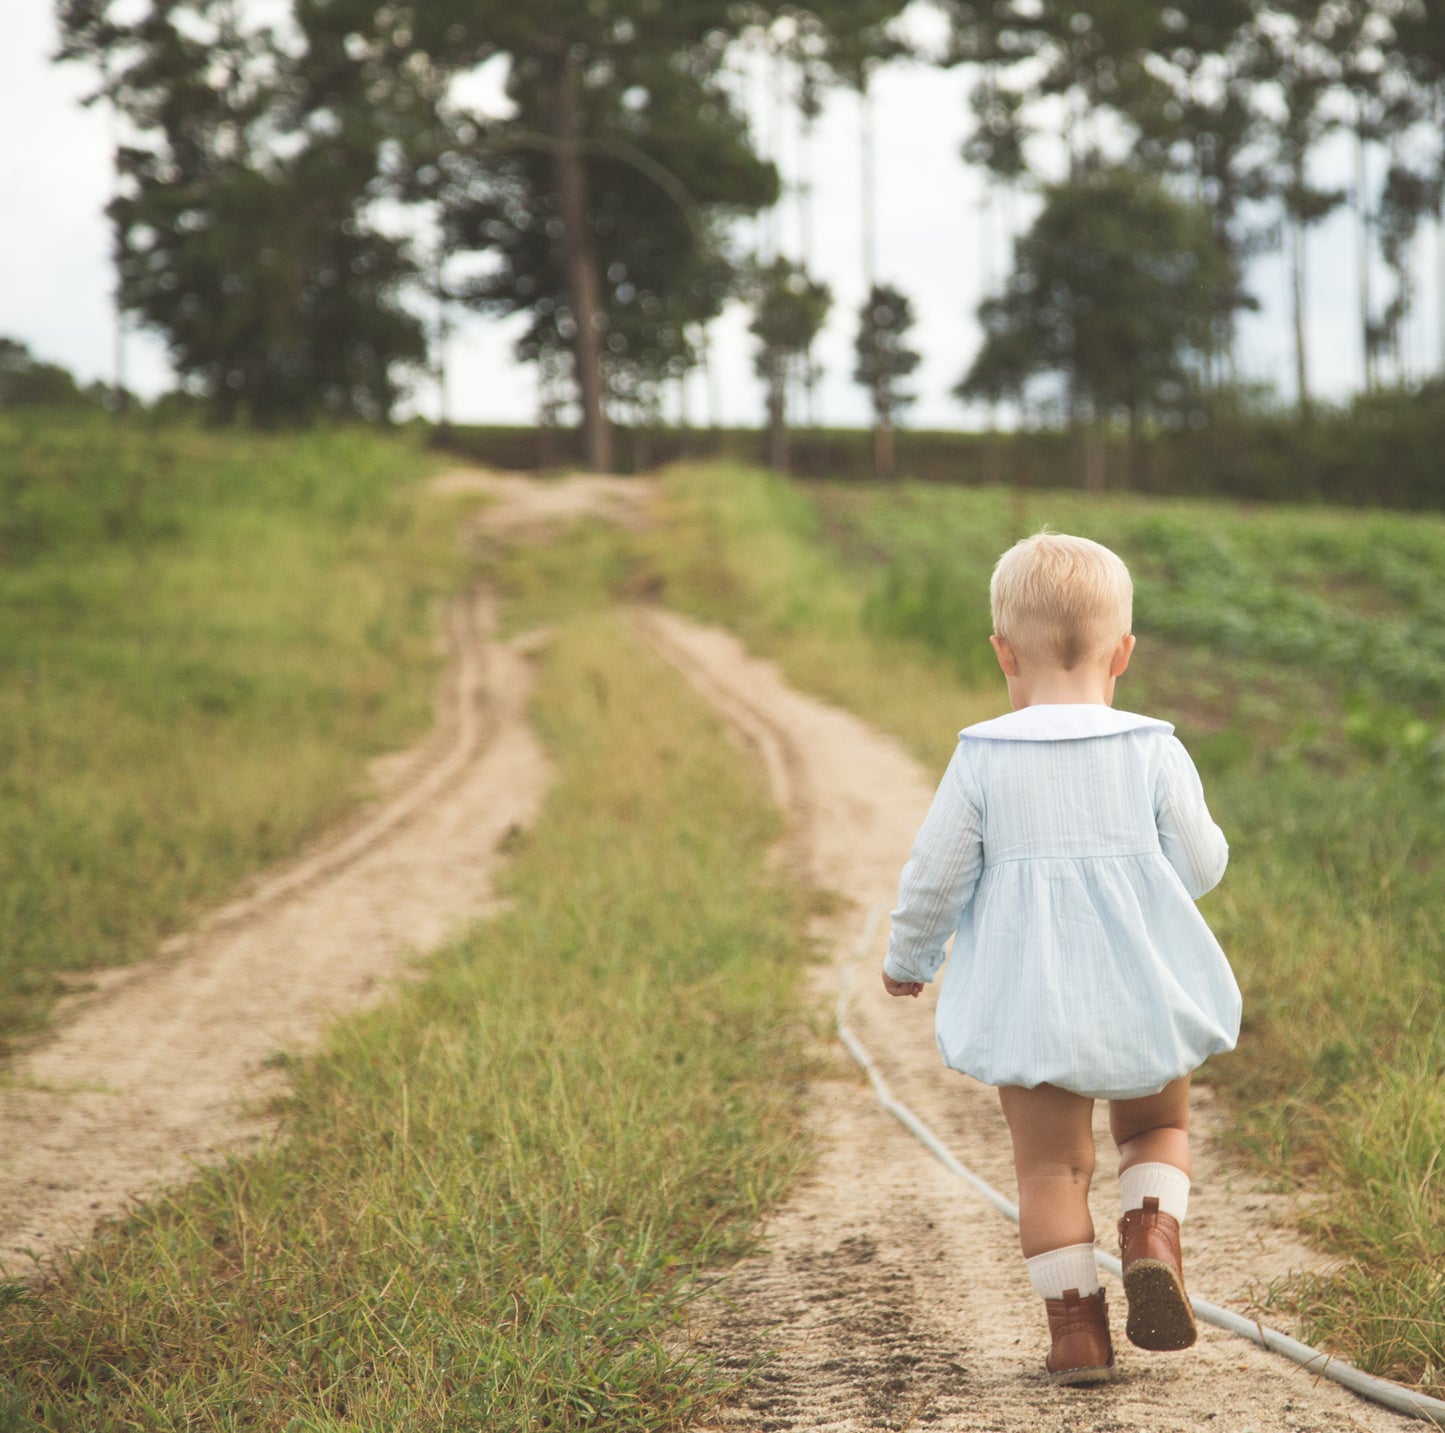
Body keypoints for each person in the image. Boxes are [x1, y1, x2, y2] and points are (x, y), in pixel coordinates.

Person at [881, 530, 1239, 1386]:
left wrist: (910, 957)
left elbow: (933, 879)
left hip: (1028, 1001)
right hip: (1142, 989)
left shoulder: (981, 757)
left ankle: (1076, 1332)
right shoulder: (1152, 746)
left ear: (1002, 651)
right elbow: (1199, 866)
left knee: (1049, 1166)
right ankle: (1151, 1231)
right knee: (1155, 1123)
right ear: (1123, 654)